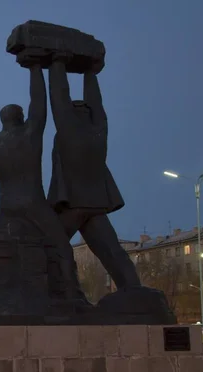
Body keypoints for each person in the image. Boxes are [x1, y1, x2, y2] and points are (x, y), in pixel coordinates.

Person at [0, 52, 89, 312]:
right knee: (61, 247)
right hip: (33, 204)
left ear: (2, 121)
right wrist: (35, 67)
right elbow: (40, 102)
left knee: (10, 254)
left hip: (7, 208)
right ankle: (72, 296)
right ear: (21, 117)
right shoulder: (30, 133)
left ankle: (0, 303)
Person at [47, 54, 141, 292]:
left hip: (73, 204)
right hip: (97, 203)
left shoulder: (69, 130)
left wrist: (57, 61)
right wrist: (90, 72)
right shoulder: (98, 130)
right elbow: (96, 102)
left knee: (48, 248)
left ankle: (60, 294)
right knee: (111, 251)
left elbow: (59, 94)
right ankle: (134, 291)